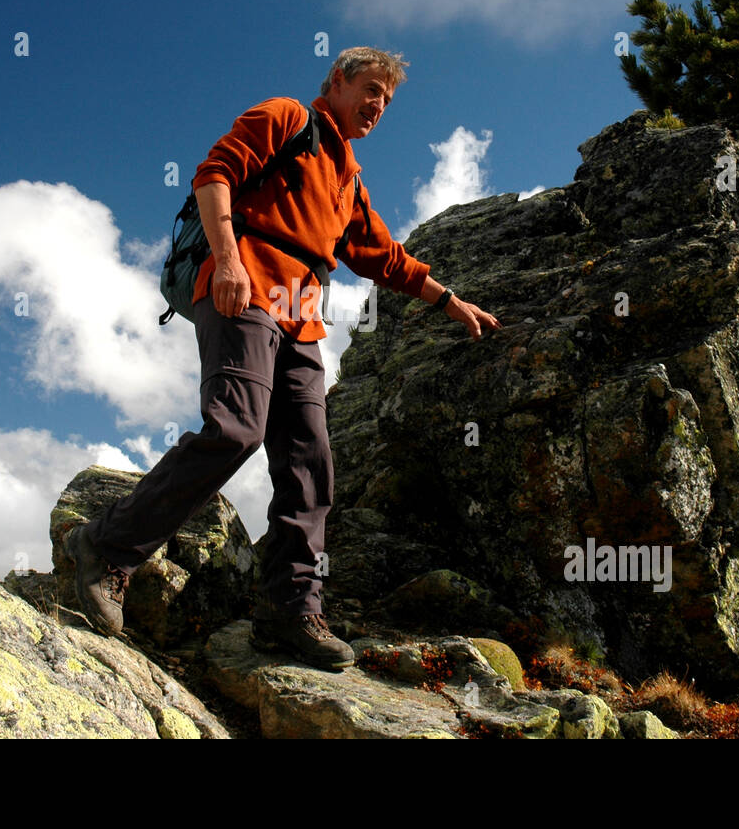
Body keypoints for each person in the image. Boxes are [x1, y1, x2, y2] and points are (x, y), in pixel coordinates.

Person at [63, 47, 500, 671]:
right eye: (370, 89)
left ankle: (289, 609)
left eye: (387, 100)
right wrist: (230, 260)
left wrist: (449, 299)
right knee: (236, 428)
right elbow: (214, 175)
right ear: (337, 81)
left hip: (301, 317)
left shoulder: (347, 176)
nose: (377, 106)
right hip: (243, 287)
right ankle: (106, 548)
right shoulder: (288, 118)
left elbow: (382, 255)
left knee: (310, 461)